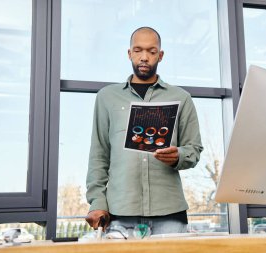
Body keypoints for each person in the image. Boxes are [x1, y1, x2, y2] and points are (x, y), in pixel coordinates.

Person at [85, 27, 203, 235]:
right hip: (119, 212)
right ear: (129, 53)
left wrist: (179, 156)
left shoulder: (181, 98)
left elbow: (193, 149)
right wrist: (97, 202)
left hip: (170, 212)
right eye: (138, 50)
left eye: (151, 51)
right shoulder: (107, 97)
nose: (144, 57)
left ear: (161, 55)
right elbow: (99, 155)